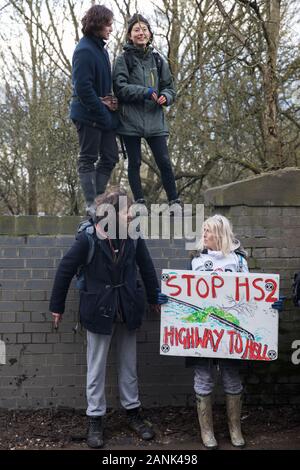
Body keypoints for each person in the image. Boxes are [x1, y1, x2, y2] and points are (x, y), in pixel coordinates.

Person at [49, 188, 165, 449]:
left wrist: (154, 296)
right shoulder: (88, 238)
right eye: (127, 210)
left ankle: (133, 413)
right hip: (98, 309)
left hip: (127, 306)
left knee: (129, 364)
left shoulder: (132, 236)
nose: (131, 214)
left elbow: (146, 266)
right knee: (96, 366)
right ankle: (95, 419)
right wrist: (57, 306)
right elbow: (65, 269)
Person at [185, 214, 284, 449]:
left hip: (233, 332)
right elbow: (185, 292)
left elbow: (251, 294)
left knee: (232, 378)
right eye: (203, 230)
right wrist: (169, 298)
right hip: (204, 331)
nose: (204, 235)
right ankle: (206, 432)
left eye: (208, 231)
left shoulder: (239, 261)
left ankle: (234, 429)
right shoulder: (195, 260)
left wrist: (269, 302)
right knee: (204, 378)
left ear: (220, 233)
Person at [113, 13, 180, 207]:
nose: (141, 33)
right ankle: (140, 202)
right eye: (136, 30)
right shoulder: (122, 60)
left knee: (165, 162)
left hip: (154, 119)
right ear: (129, 35)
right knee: (134, 163)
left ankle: (174, 200)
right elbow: (120, 88)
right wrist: (145, 92)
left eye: (144, 29)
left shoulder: (158, 61)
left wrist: (166, 97)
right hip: (129, 121)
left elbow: (169, 87)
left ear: (150, 34)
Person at [70, 5, 119, 216]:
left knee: (110, 157)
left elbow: (100, 85)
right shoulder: (84, 50)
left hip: (103, 114)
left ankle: (97, 201)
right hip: (88, 115)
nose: (111, 28)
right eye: (108, 24)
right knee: (87, 158)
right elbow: (82, 88)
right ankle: (91, 204)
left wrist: (111, 100)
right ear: (98, 24)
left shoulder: (101, 49)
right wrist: (101, 108)